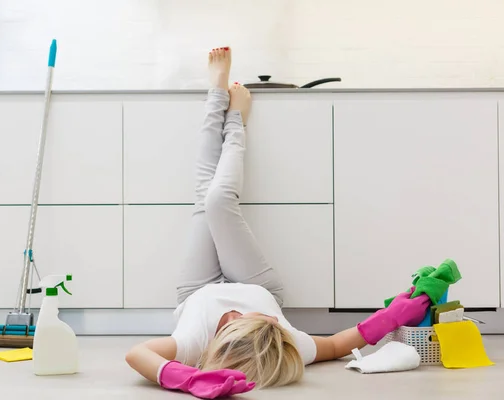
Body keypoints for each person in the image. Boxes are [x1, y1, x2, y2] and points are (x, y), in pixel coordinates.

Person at [125, 47, 431, 399]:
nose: (239, 311)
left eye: (234, 319)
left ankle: (217, 95)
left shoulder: (192, 343)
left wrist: (188, 380)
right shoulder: (286, 343)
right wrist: (394, 314)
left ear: (219, 341)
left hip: (197, 290)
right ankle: (235, 123)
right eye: (264, 320)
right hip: (256, 282)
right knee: (218, 201)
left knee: (205, 197)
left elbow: (137, 354)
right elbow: (335, 345)